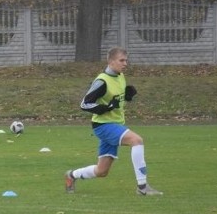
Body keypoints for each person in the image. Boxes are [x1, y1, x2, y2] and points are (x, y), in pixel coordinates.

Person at [64, 47, 162, 196]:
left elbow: (116, 100)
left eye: (126, 60)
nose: (125, 64)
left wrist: (127, 97)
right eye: (121, 60)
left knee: (102, 171)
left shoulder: (120, 76)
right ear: (110, 62)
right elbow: (84, 104)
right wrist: (105, 108)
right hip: (103, 126)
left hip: (115, 124)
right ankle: (142, 187)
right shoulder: (102, 81)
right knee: (137, 141)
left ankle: (71, 175)